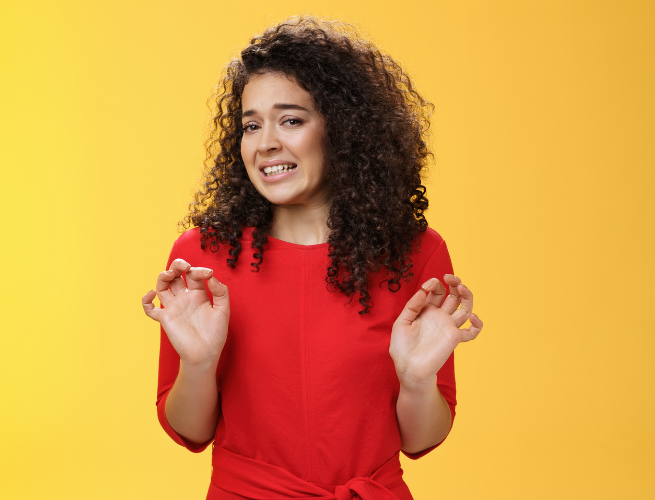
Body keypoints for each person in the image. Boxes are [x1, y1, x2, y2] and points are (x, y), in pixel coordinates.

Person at [141, 17, 483, 500]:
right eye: (251, 125)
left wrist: (416, 380)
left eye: (291, 120)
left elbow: (421, 440)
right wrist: (198, 364)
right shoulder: (200, 257)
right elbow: (190, 433)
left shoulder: (417, 254)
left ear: (341, 129)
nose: (266, 144)